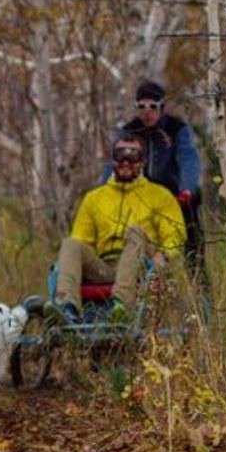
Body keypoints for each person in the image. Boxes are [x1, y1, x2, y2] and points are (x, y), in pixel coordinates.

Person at [46, 134, 186, 326]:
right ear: (113, 160)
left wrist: (164, 255)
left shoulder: (159, 196)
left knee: (136, 232)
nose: (126, 162)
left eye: (133, 156)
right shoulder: (94, 198)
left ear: (142, 161)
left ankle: (120, 306)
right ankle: (67, 310)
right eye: (121, 155)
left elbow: (175, 235)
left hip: (142, 264)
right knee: (71, 244)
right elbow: (81, 239)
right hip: (105, 266)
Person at [103, 80, 206, 286]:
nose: (147, 112)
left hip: (175, 200)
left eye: (152, 107)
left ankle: (201, 292)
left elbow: (188, 160)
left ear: (162, 107)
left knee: (192, 248)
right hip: (140, 199)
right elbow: (112, 165)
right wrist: (104, 193)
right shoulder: (129, 132)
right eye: (141, 107)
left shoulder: (177, 129)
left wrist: (187, 189)